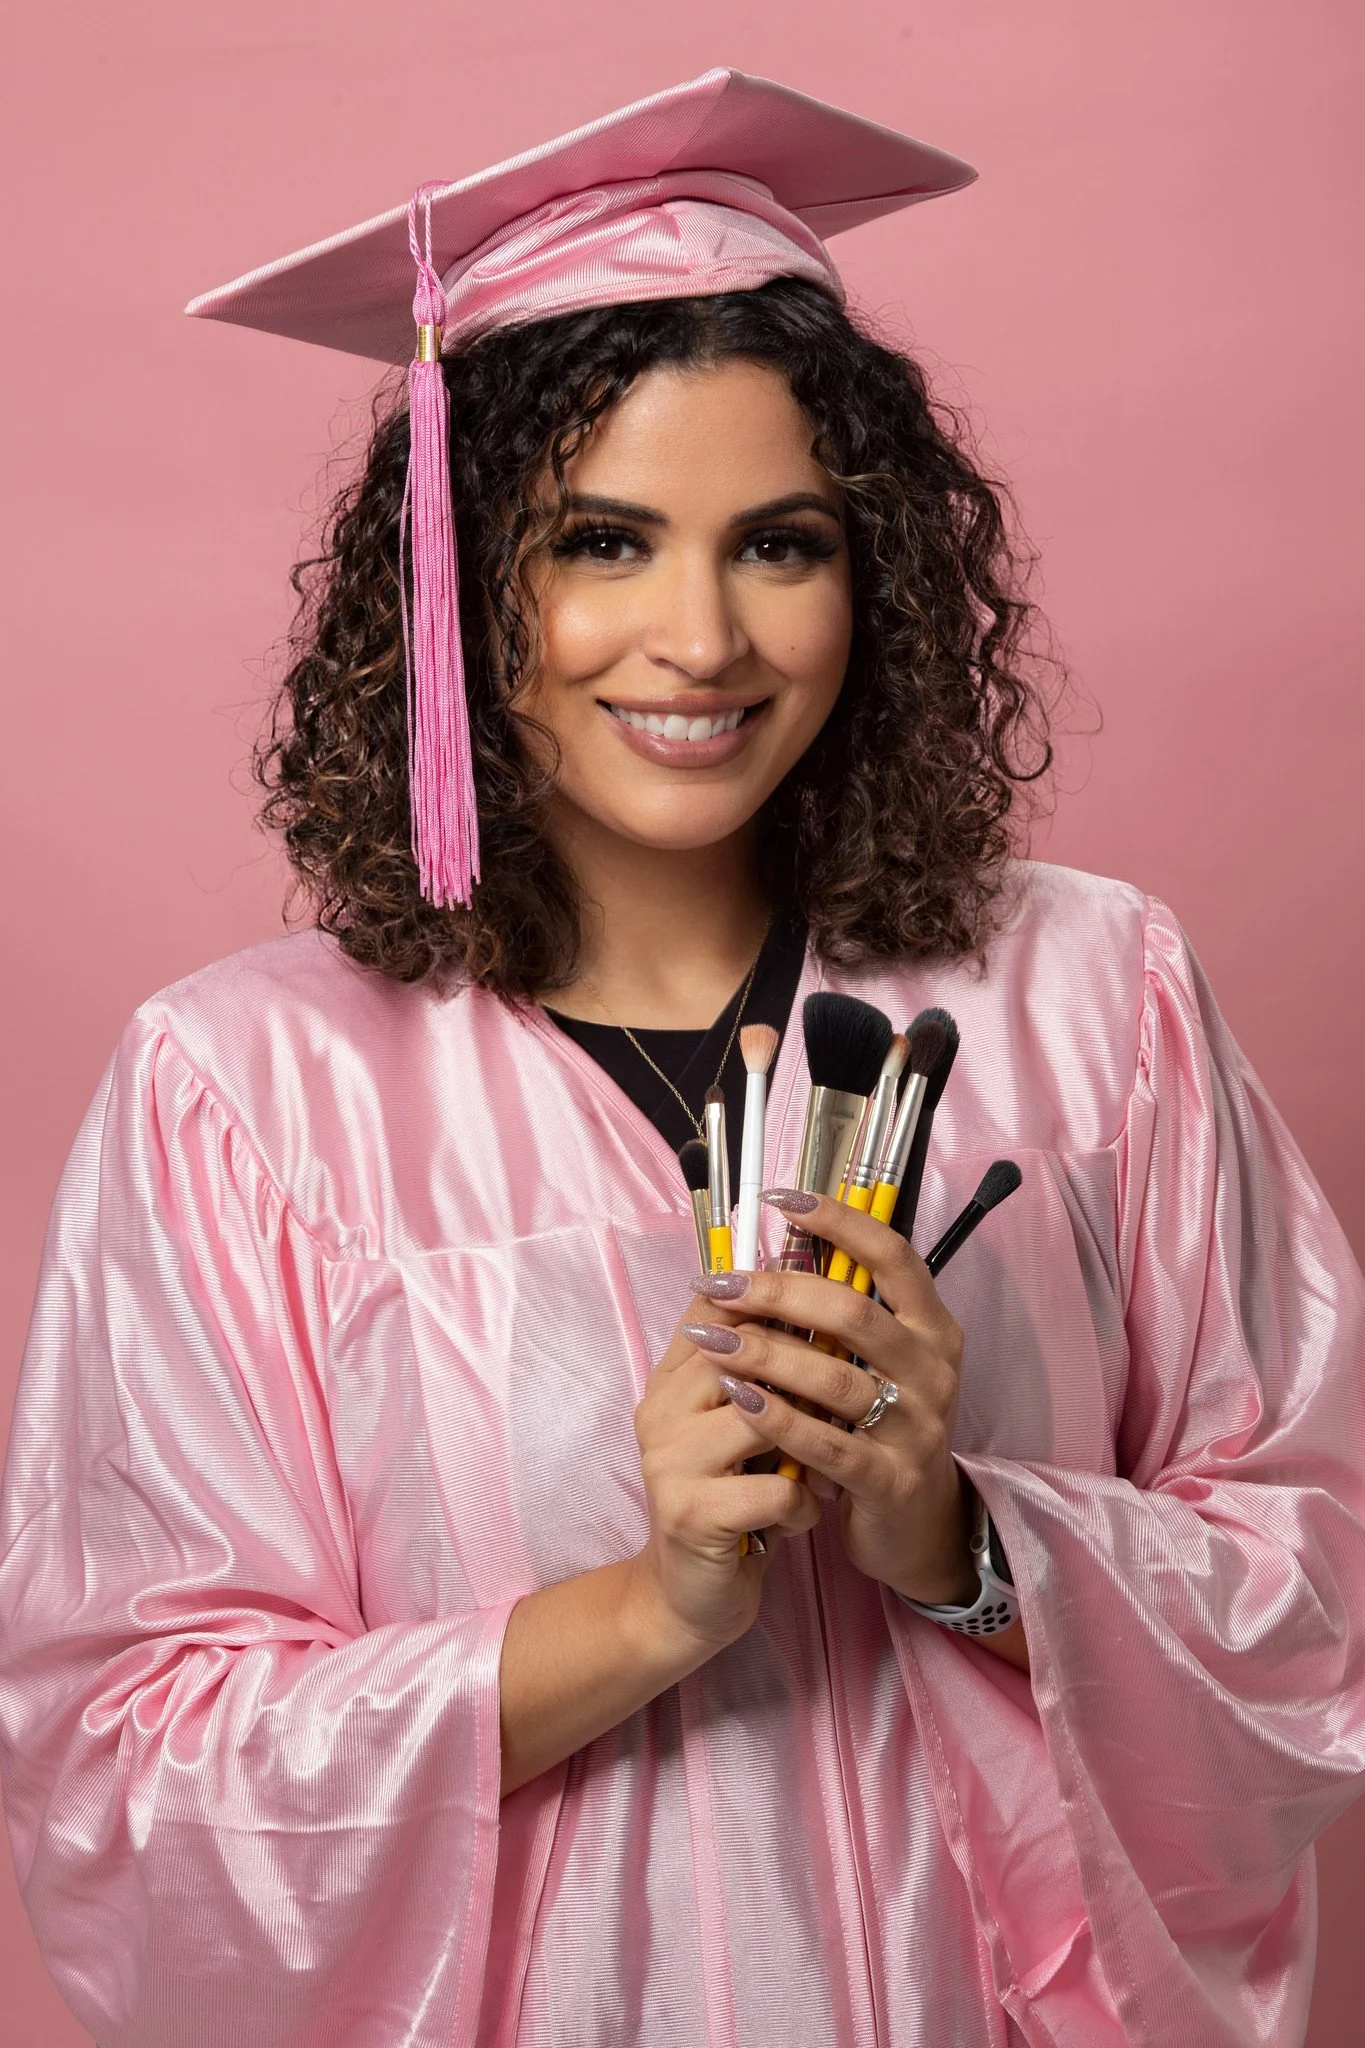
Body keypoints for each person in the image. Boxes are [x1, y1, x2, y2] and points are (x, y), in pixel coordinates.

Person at [1, 66, 1362, 2048]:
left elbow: (1316, 1593)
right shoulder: (248, 1094)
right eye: (606, 541)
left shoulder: (1093, 998)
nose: (701, 638)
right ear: (464, 585)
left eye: (784, 542)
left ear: (873, 572)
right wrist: (653, 1608)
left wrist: (967, 1535)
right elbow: (128, 1774)